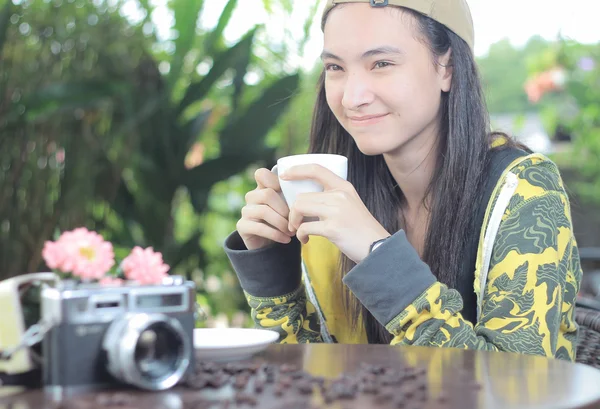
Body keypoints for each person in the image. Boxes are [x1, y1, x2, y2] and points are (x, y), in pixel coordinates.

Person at [224, 0, 582, 361]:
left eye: (381, 64)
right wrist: (269, 269)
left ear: (448, 68)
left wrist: (377, 255)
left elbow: (516, 387)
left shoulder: (523, 190)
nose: (352, 97)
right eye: (335, 67)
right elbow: (307, 380)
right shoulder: (337, 200)